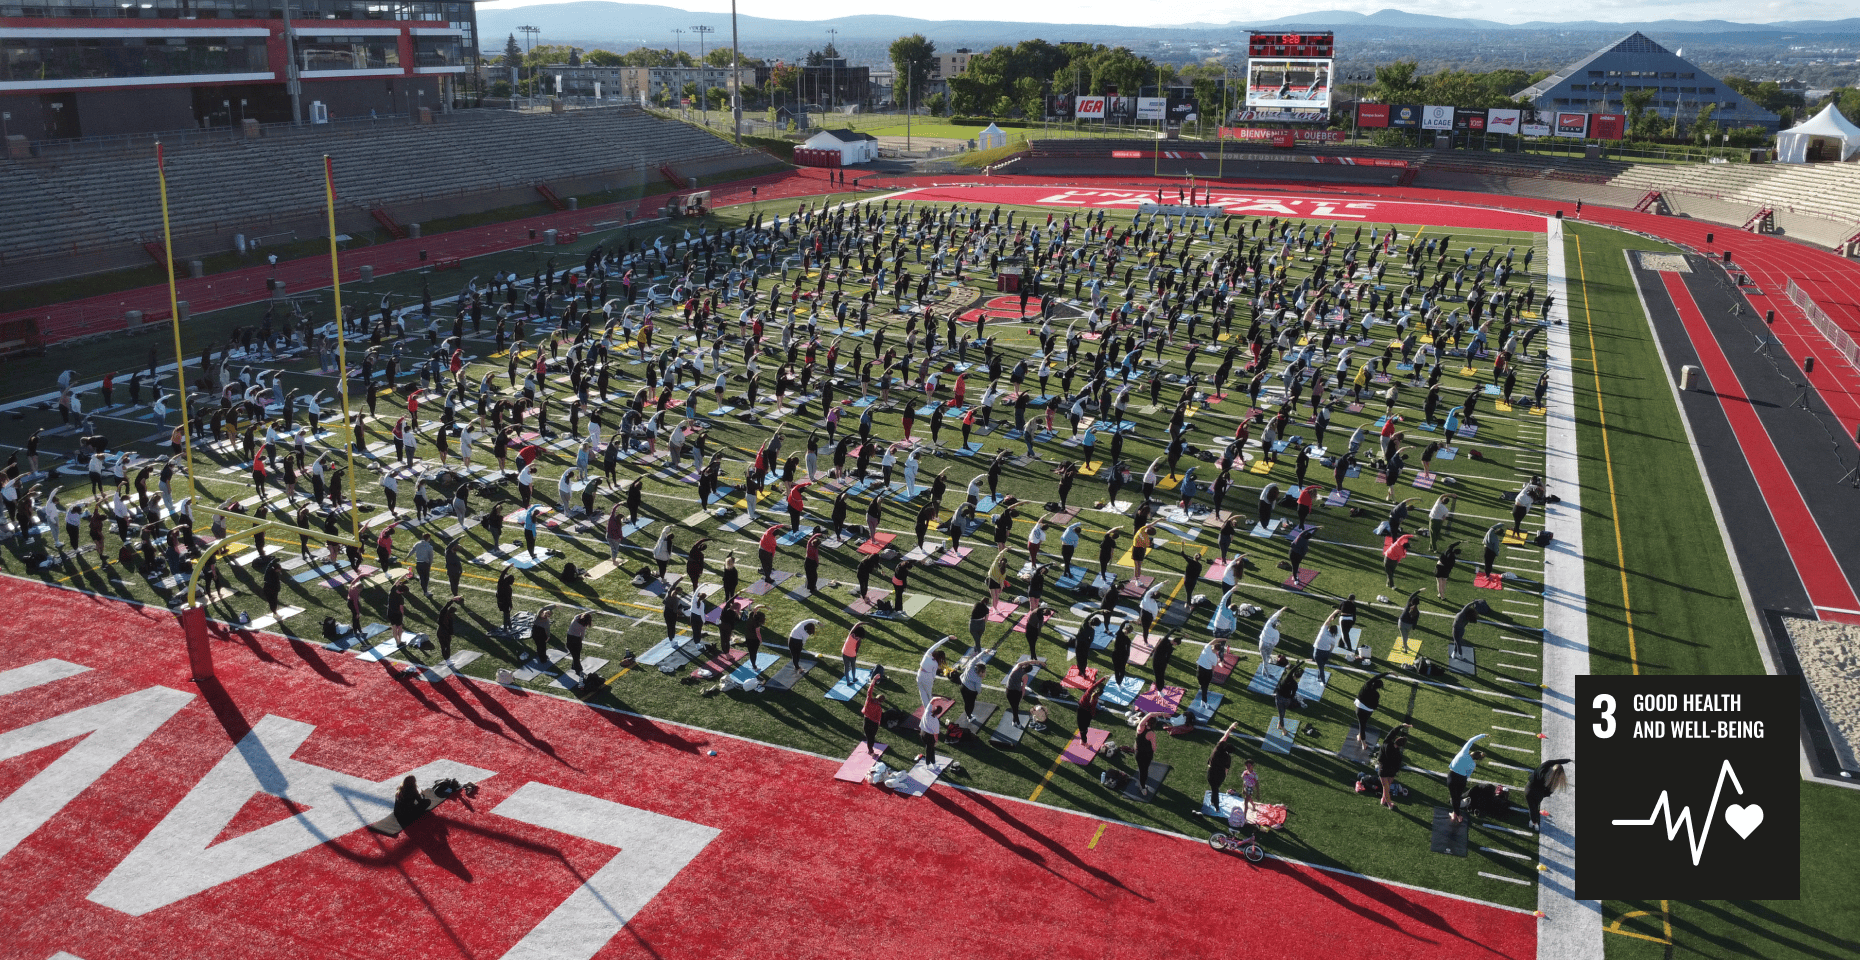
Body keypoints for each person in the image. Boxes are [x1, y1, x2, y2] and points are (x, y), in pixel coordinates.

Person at [1447, 733, 1489, 823]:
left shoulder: (1464, 752)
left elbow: (1471, 740)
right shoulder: (1473, 764)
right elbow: (1468, 775)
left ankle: (1457, 815)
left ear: (1472, 752)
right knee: (1457, 797)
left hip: (1453, 776)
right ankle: (1455, 812)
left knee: (1454, 798)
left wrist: (1483, 735)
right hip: (1462, 780)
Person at [1526, 758, 1572, 831]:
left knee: (1532, 808)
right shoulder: (1554, 781)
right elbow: (1548, 793)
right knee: (1535, 806)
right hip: (1539, 794)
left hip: (1530, 789)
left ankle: (1533, 822)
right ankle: (1534, 822)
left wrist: (1567, 760)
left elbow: (1551, 762)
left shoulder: (1544, 769)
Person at [1377, 726, 1411, 810]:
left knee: (1386, 787)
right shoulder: (1398, 754)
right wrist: (1394, 772)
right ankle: (1389, 803)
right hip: (1390, 772)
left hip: (1383, 769)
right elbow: (1397, 766)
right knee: (1387, 787)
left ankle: (1383, 799)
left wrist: (1401, 726)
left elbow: (1391, 733)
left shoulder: (1386, 742)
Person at [1354, 672, 1390, 746]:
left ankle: (1360, 736)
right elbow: (1375, 706)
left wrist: (1387, 673)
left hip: (1359, 707)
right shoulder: (1376, 695)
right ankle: (1363, 743)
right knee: (1362, 725)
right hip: (1368, 710)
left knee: (1362, 724)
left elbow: (1376, 676)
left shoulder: (1366, 685)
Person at [1132, 712, 1160, 796]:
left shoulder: (1140, 727)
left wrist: (1160, 713)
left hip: (1138, 752)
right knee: (1144, 771)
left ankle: (1142, 786)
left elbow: (1150, 714)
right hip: (1147, 754)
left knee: (1142, 769)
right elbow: (1154, 747)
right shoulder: (1152, 734)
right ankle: (1142, 787)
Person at [859, 677, 886, 752]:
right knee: (872, 738)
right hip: (874, 724)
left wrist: (873, 681)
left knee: (868, 737)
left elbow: (869, 691)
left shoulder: (869, 701)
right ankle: (870, 750)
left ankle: (870, 749)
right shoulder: (879, 709)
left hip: (866, 721)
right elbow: (878, 719)